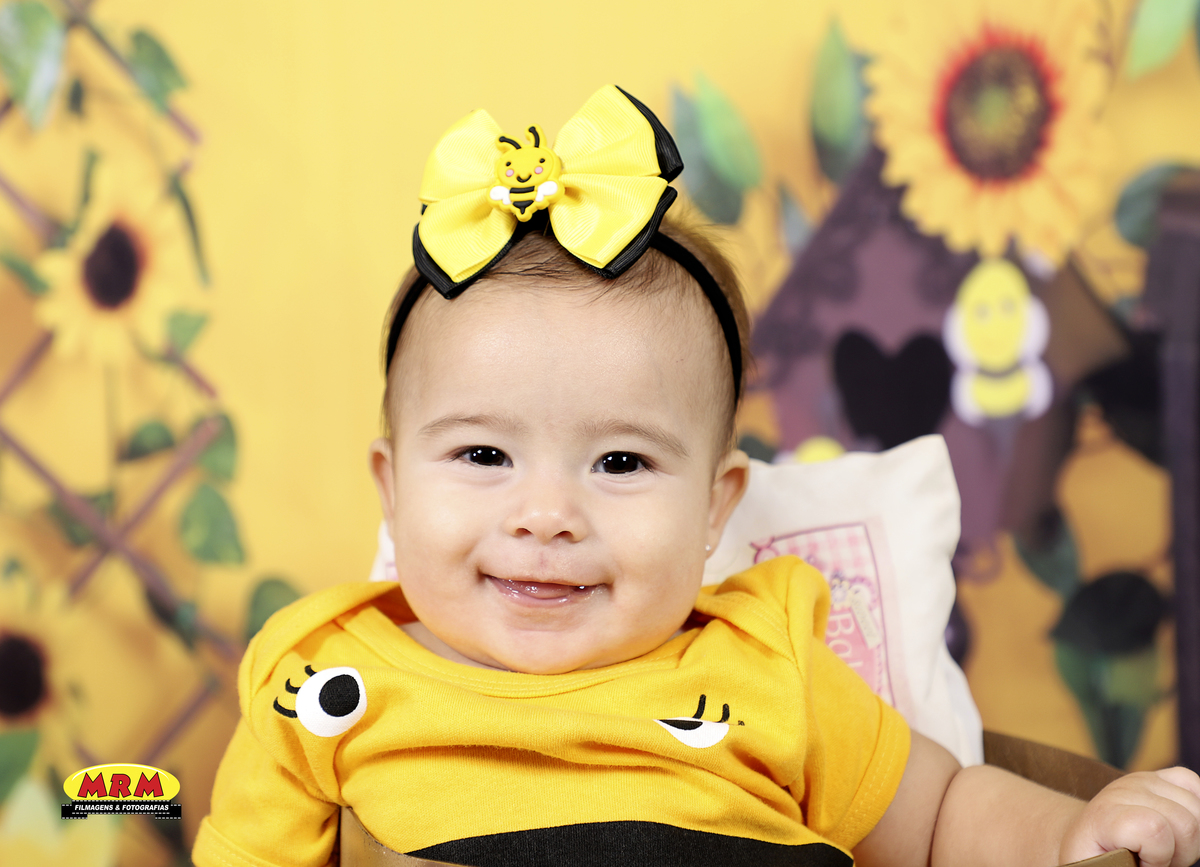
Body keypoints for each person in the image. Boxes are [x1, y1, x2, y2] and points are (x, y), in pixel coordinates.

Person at [192, 86, 1200, 867]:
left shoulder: (766, 667)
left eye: (621, 461)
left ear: (717, 507)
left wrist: (1076, 830)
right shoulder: (324, 681)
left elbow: (940, 817)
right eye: (484, 455)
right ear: (392, 487)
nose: (547, 515)